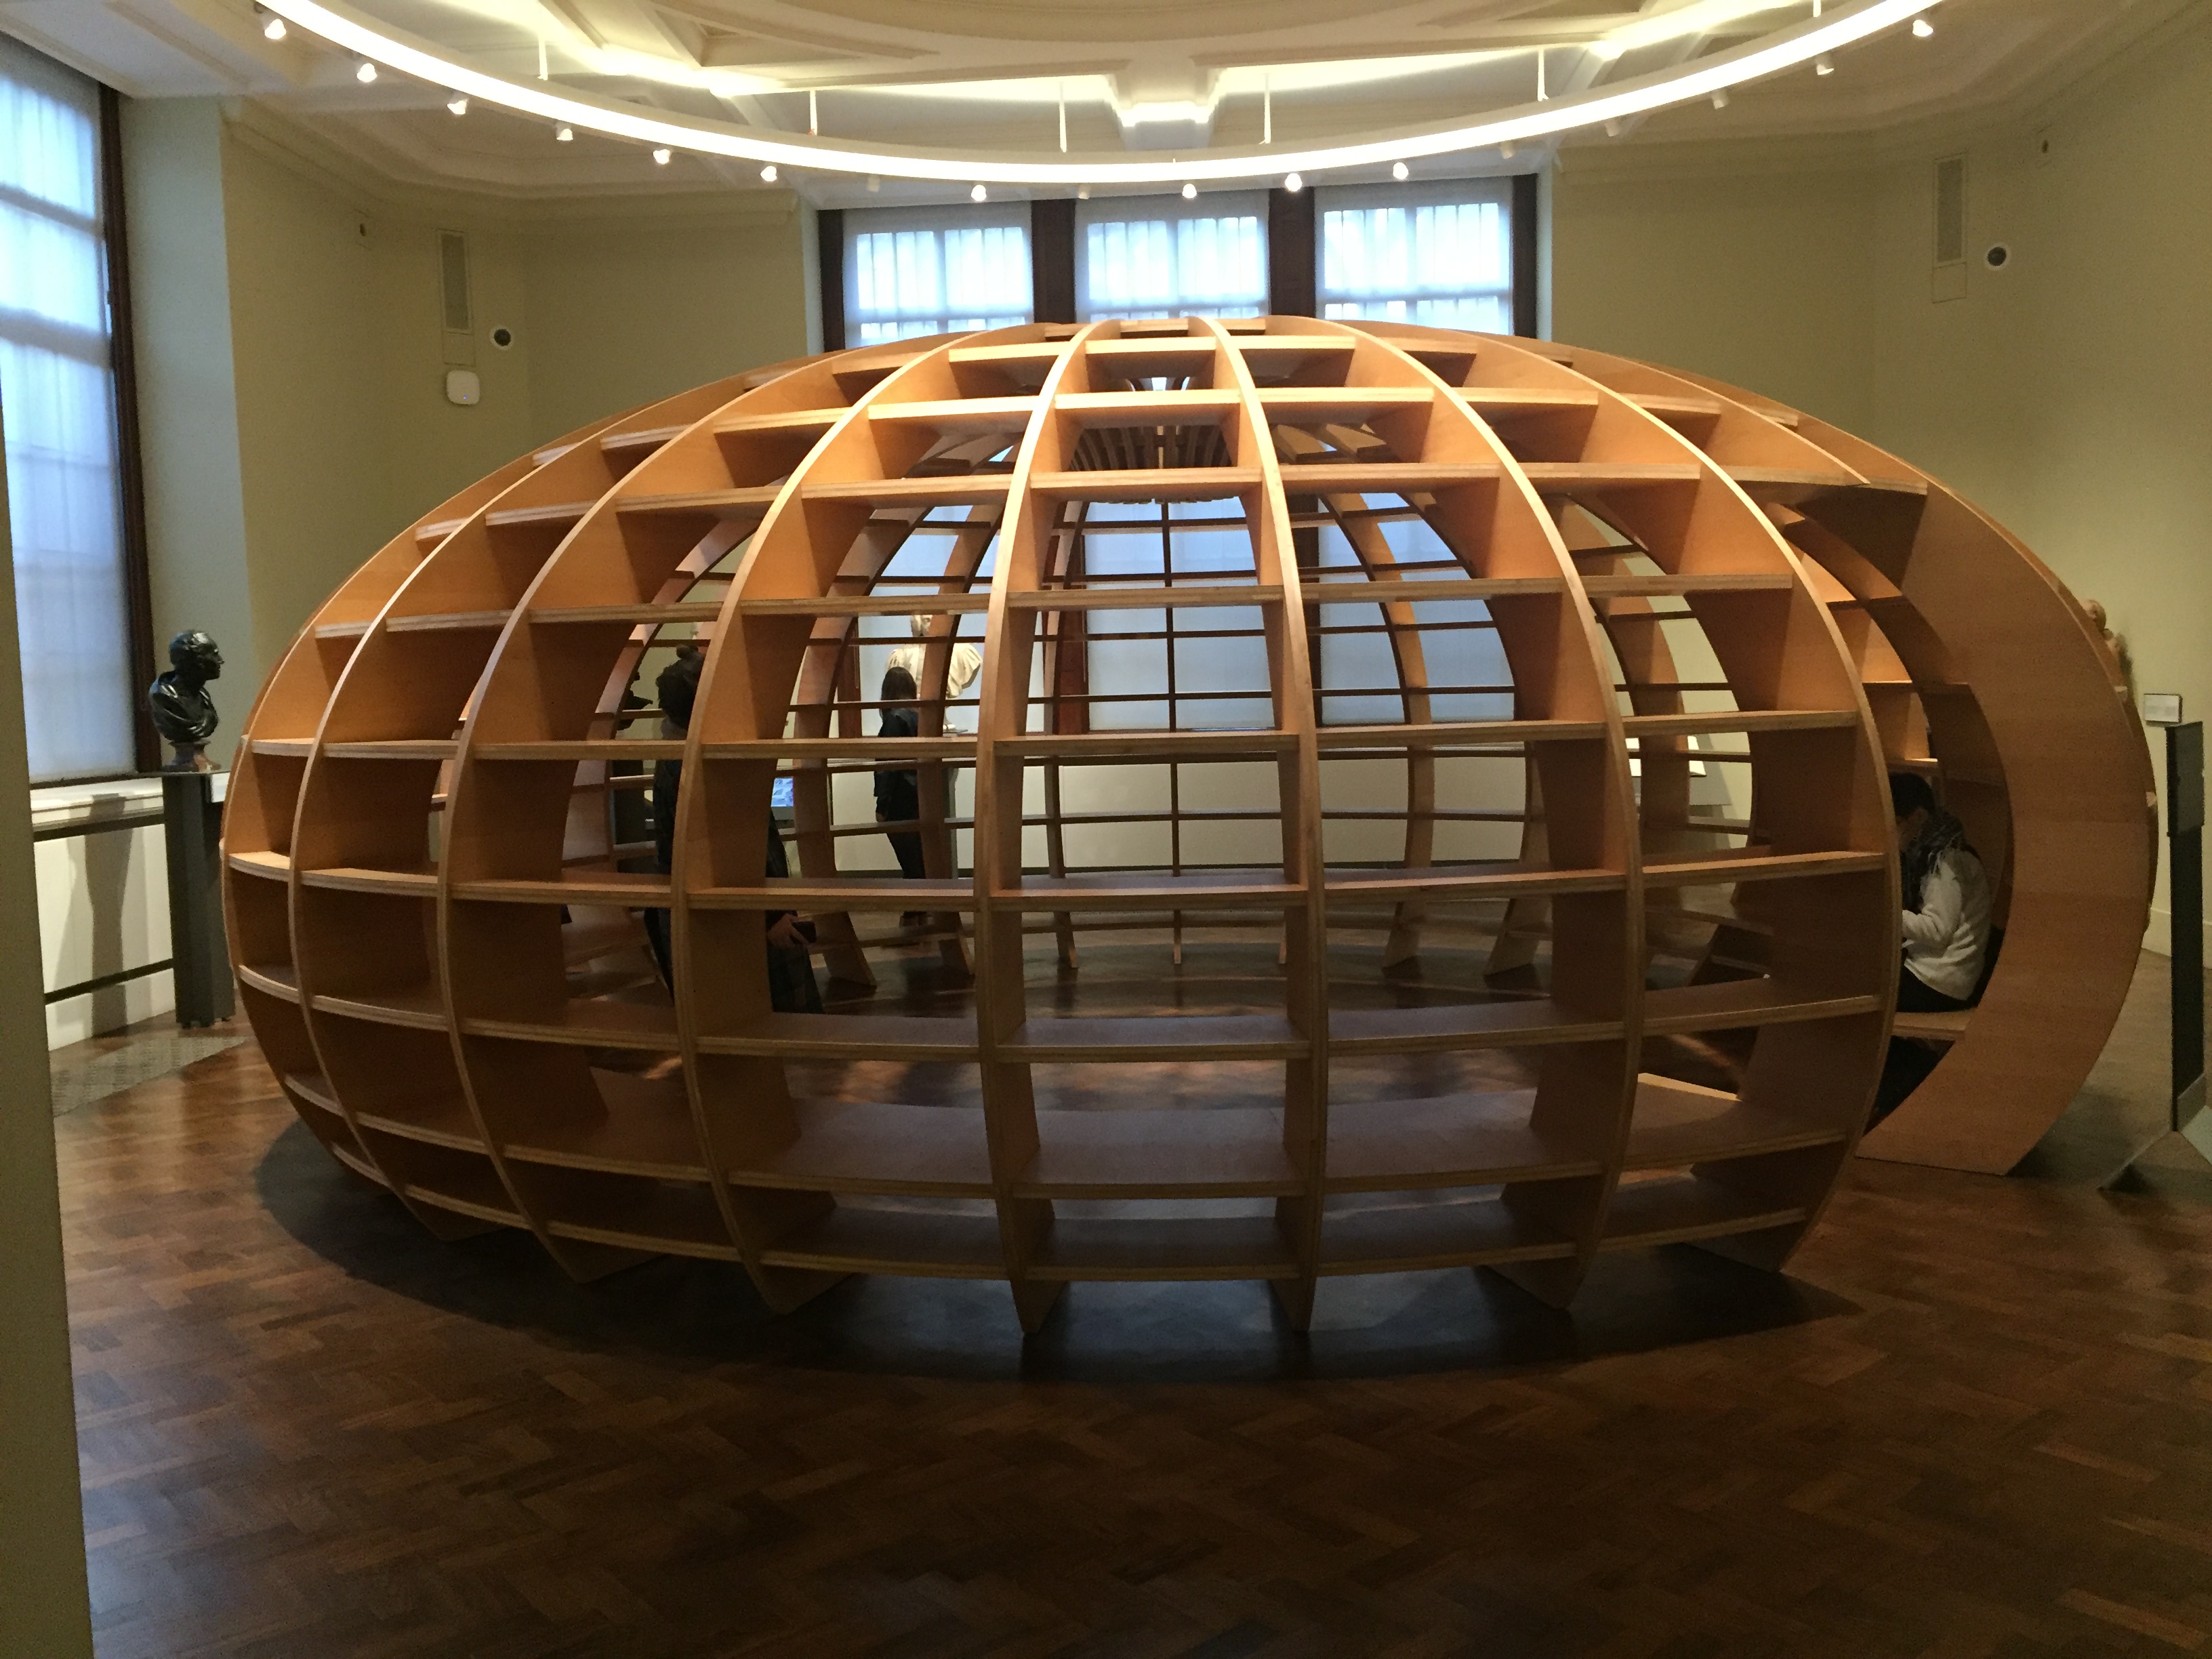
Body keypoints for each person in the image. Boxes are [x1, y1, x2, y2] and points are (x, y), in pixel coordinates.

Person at [645, 653, 819, 1012]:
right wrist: (769, 916)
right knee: (760, 1022)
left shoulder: (686, 757)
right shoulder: (692, 766)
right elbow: (719, 851)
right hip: (739, 918)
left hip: (742, 912)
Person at [1872, 771, 1990, 1122]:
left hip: (1940, 982)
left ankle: (1912, 1080)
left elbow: (1938, 930)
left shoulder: (1946, 861)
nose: (1889, 833)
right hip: (1937, 975)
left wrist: (1887, 908)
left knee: (1857, 1001)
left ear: (1918, 818)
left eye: (1893, 823)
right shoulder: (1938, 852)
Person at [875, 664, 928, 924]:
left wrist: (882, 805)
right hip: (920, 795)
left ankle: (915, 909)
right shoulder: (920, 715)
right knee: (918, 855)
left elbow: (889, 766)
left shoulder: (895, 719)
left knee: (908, 858)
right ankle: (921, 908)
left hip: (899, 798)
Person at [885, 613, 982, 709]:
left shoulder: (964, 653)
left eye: (936, 621)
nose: (933, 625)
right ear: (919, 625)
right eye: (927, 620)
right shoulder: (902, 655)